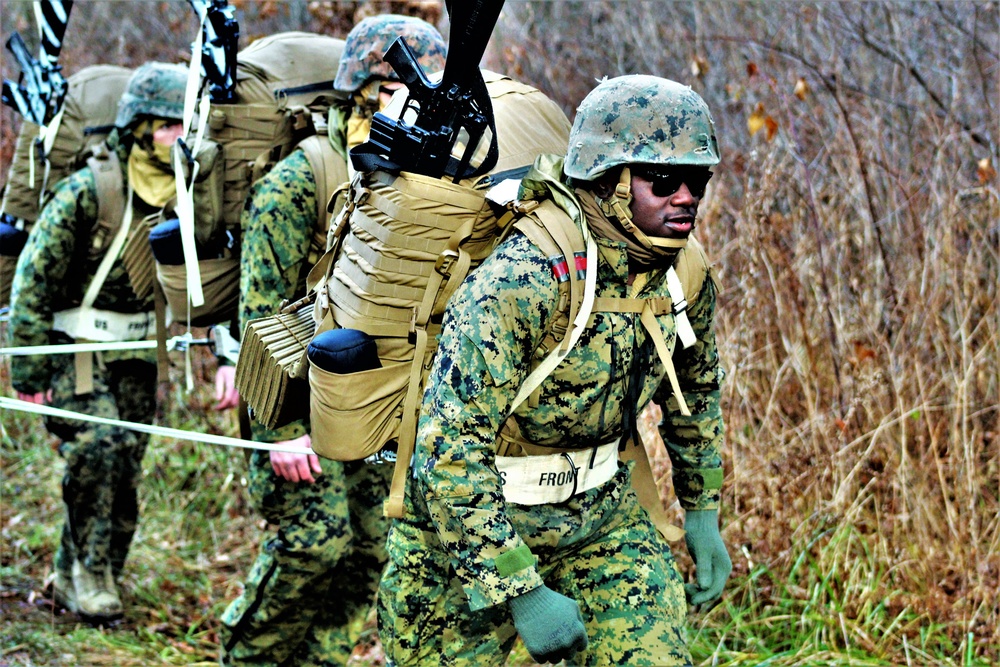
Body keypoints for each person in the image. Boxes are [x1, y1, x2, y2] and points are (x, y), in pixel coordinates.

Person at [378, 75, 733, 666]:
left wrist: (702, 508)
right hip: (465, 534)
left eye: (699, 179)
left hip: (600, 519)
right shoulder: (525, 278)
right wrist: (520, 588)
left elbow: (694, 388)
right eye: (664, 180)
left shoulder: (680, 273)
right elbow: (447, 447)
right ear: (607, 180)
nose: (687, 197)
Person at [217, 16, 446, 666]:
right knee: (313, 543)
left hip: (368, 400)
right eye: (402, 92)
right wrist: (282, 429)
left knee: (373, 548)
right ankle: (250, 655)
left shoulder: (412, 182)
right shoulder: (300, 181)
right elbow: (259, 315)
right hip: (291, 401)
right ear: (365, 93)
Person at [7, 62, 187, 621]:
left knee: (126, 466)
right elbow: (33, 279)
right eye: (165, 127)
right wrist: (30, 373)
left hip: (139, 354)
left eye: (185, 126)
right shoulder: (91, 188)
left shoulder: (188, 193)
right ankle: (89, 573)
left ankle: (85, 569)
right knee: (97, 448)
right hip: (75, 351)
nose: (177, 138)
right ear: (137, 126)